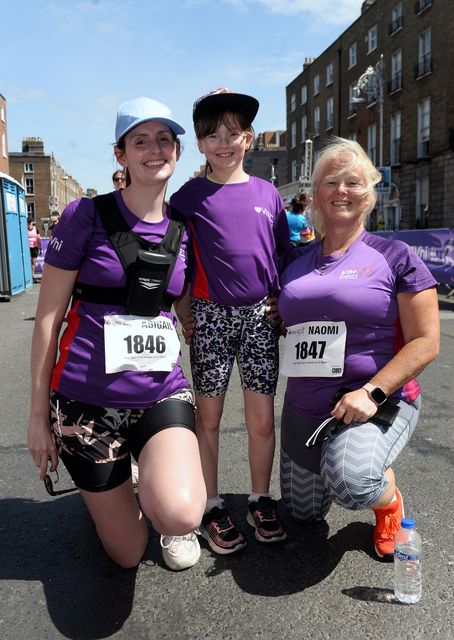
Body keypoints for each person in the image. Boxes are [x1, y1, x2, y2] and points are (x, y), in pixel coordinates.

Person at [27, 96, 206, 571]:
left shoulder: (184, 229)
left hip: (159, 392)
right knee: (126, 554)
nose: (154, 149)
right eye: (140, 141)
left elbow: (181, 298)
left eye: (164, 140)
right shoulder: (85, 215)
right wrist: (36, 416)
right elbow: (48, 318)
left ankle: (154, 484)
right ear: (121, 154)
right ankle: (117, 486)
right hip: (86, 400)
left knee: (181, 511)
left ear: (178, 152)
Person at [278, 137, 439, 559]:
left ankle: (388, 503)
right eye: (330, 181)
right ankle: (341, 463)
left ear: (369, 192)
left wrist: (372, 392)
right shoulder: (294, 260)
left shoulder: (395, 255)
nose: (341, 191)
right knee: (303, 514)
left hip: (375, 401)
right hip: (306, 409)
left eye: (353, 181)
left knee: (353, 482)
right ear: (315, 195)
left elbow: (426, 340)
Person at [170, 88, 291, 555]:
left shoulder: (268, 196)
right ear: (199, 144)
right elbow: (175, 256)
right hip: (211, 317)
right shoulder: (188, 198)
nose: (224, 142)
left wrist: (283, 300)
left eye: (234, 133)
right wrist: (182, 304)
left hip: (261, 316)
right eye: (212, 134)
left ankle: (260, 499)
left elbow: (283, 256)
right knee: (211, 417)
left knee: (262, 419)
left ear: (250, 138)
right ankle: (211, 503)